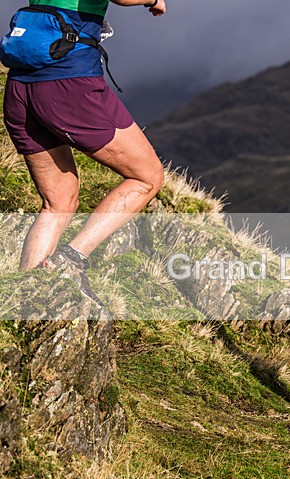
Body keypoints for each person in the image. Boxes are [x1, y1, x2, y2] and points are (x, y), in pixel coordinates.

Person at [2, 0, 167, 303]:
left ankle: (23, 298)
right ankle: (70, 258)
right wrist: (153, 1)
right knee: (147, 177)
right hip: (69, 84)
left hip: (19, 89)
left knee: (58, 202)